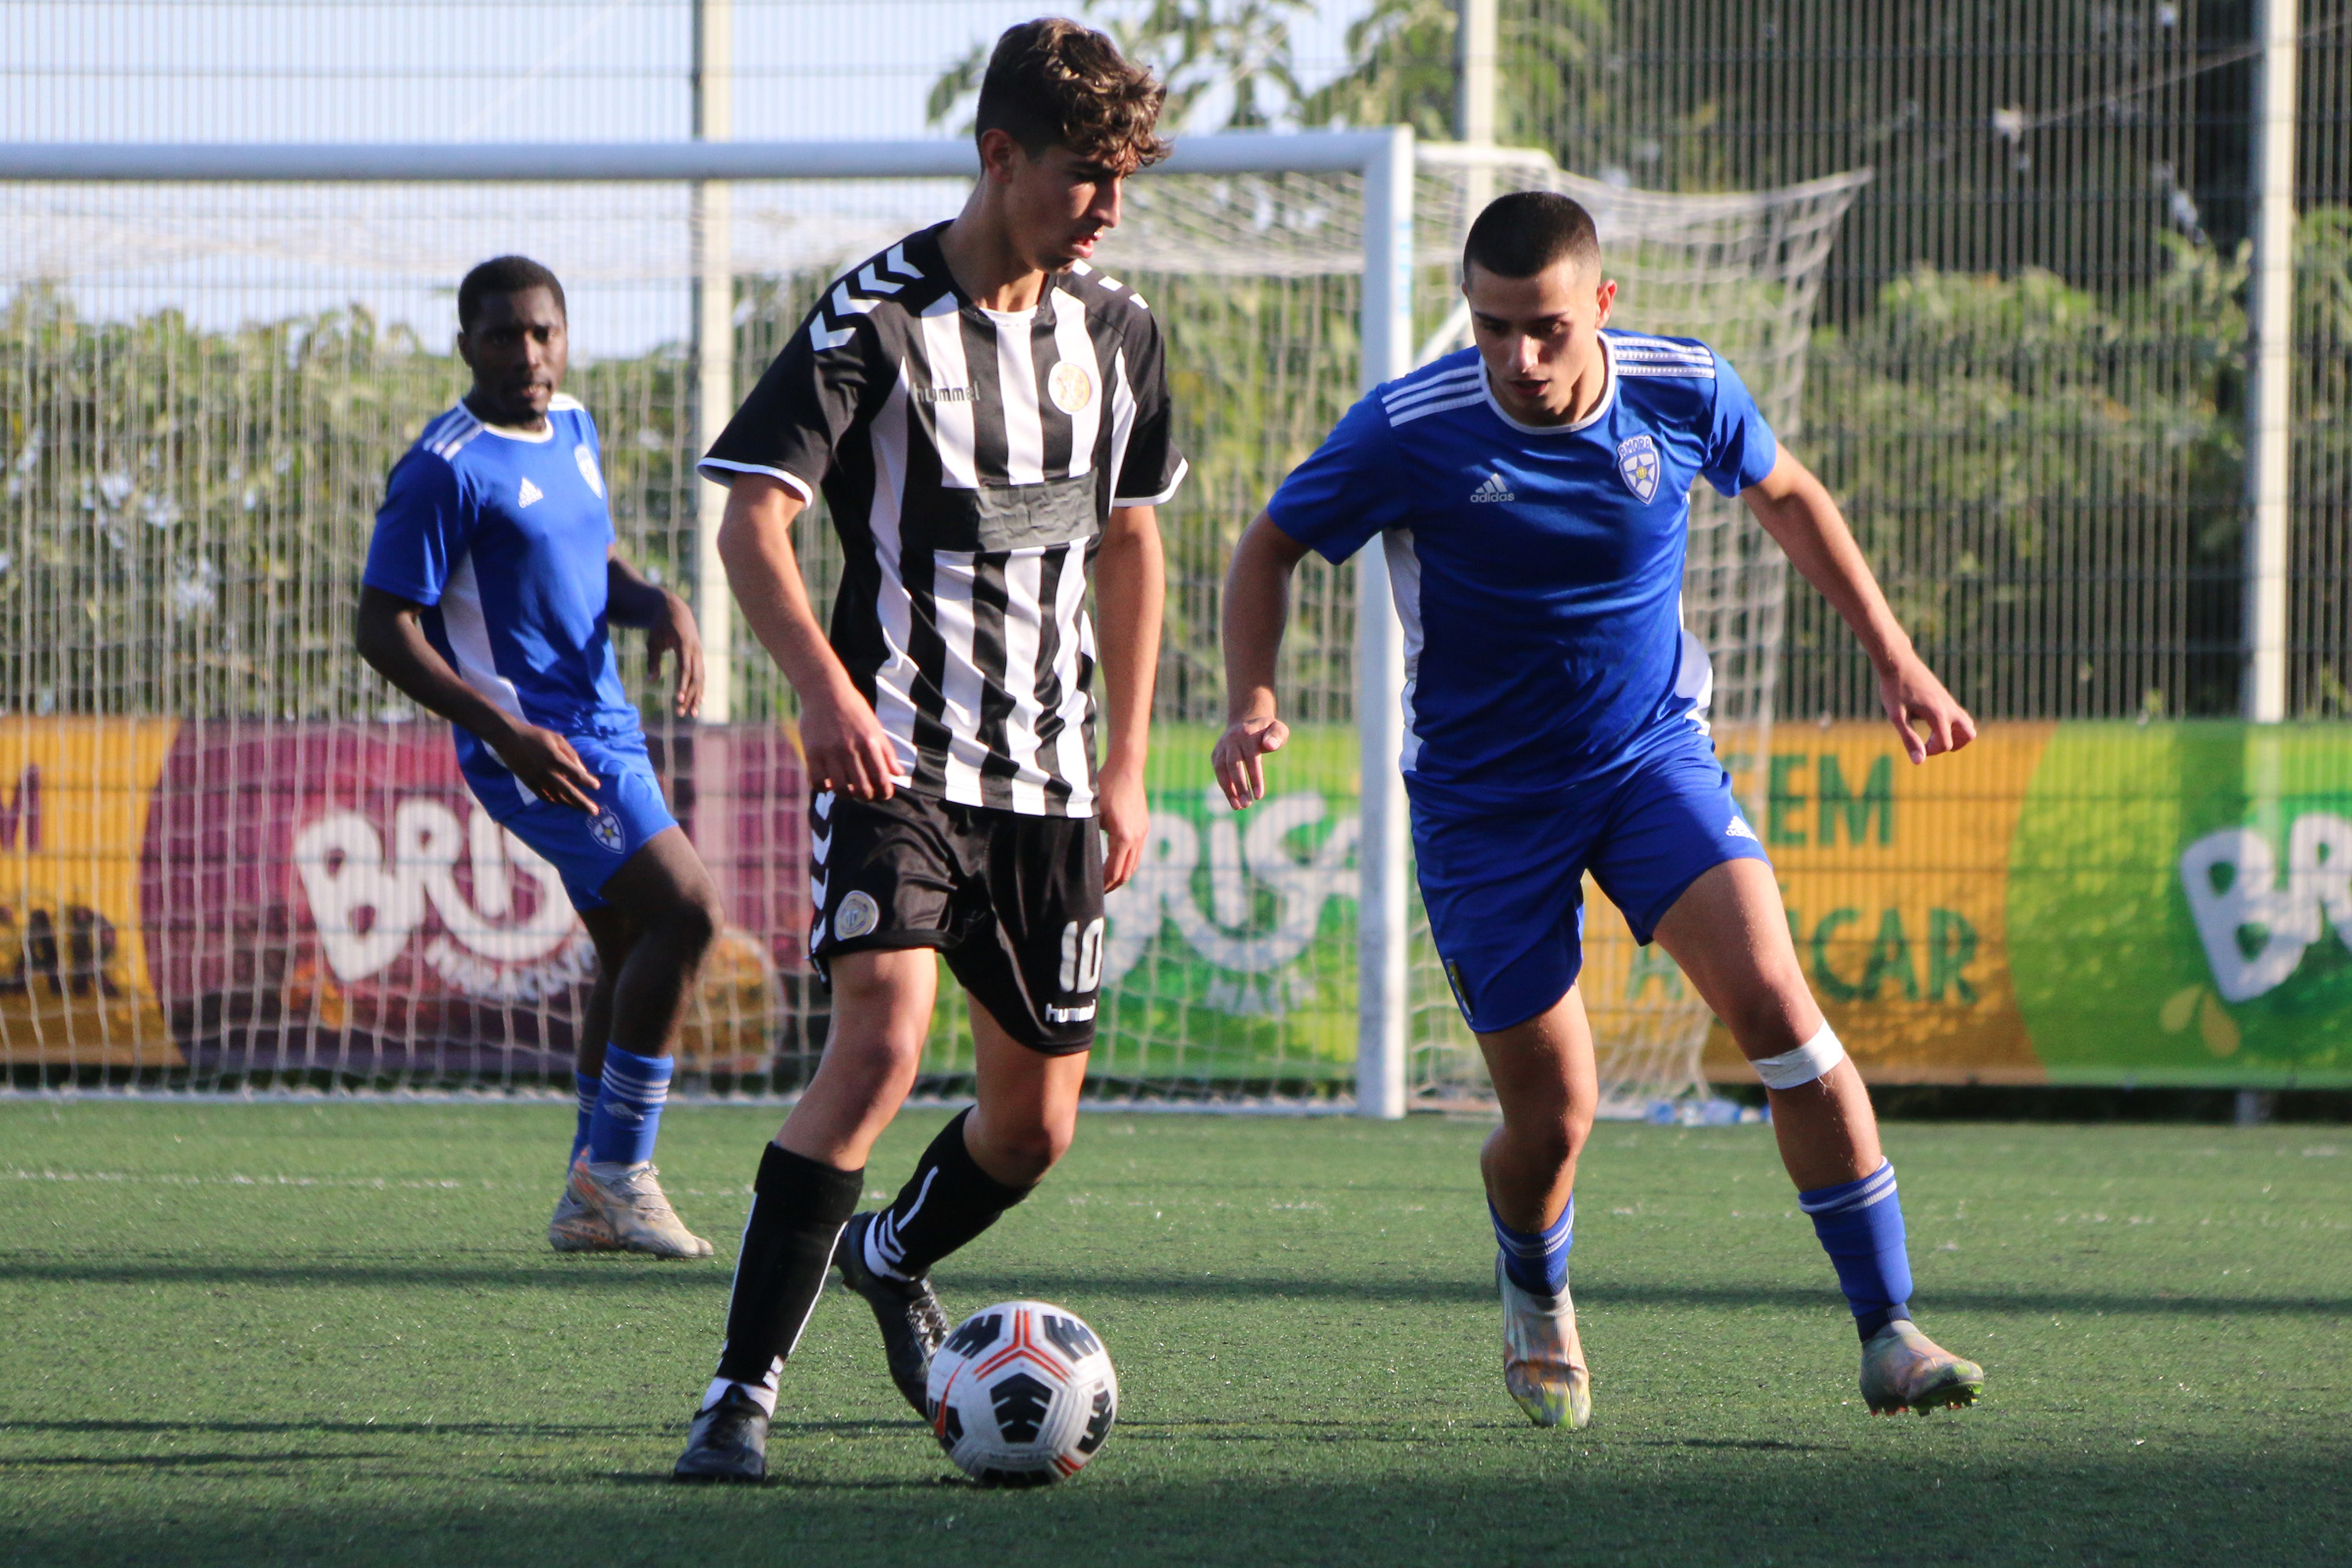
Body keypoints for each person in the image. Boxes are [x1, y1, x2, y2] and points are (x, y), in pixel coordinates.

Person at [1214, 191, 1986, 1429]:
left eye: (1548, 328)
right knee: (1554, 1117)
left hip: (1648, 765)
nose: (1518, 357)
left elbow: (1789, 494)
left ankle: (1891, 1329)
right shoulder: (1412, 427)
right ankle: (1534, 1282)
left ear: (1603, 306)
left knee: (1782, 1015)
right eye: (1492, 327)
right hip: (1483, 807)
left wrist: (1894, 658)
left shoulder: (1683, 388)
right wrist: (1251, 696)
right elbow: (1270, 545)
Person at [669, 19, 1180, 1483]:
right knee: (881, 1045)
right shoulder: (874, 319)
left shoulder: (1120, 334)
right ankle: (738, 1397)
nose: (1108, 207)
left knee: (1033, 1131)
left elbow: (1131, 543)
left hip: (1053, 782)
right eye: (1086, 176)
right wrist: (823, 692)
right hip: (894, 765)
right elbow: (751, 522)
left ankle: (890, 1255)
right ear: (999, 156)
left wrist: (1127, 763)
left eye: (1123, 180)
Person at [358, 256, 725, 1261]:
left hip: (607, 723)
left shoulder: (573, 426)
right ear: (466, 345)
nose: (528, 352)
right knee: (689, 912)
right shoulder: (444, 466)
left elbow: (593, 562)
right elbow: (383, 626)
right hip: (535, 744)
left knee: (631, 941)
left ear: (565, 336)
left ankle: (587, 1191)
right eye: (504, 335)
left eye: (544, 332)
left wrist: (660, 604)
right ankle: (620, 1173)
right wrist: (503, 731)